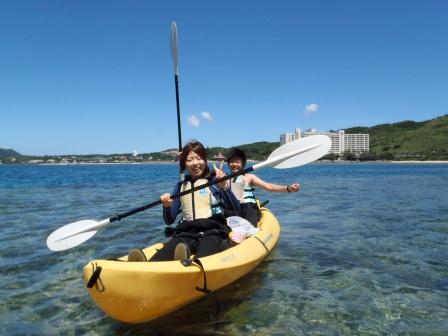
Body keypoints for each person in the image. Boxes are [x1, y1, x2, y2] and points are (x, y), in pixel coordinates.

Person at [148, 140, 240, 262]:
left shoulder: (215, 182)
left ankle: (201, 257)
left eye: (199, 158)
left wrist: (224, 187)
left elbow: (235, 209)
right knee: (156, 260)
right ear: (184, 163)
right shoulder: (180, 186)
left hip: (213, 232)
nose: (195, 163)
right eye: (189, 160)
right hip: (187, 232)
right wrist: (166, 206)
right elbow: (169, 221)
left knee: (200, 260)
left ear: (205, 160)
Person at [226, 148, 300, 226]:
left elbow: (269, 187)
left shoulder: (249, 177)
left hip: (248, 208)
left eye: (237, 162)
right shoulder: (224, 179)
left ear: (243, 164)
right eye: (232, 162)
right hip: (234, 209)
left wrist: (288, 188)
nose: (234, 164)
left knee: (248, 212)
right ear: (228, 164)